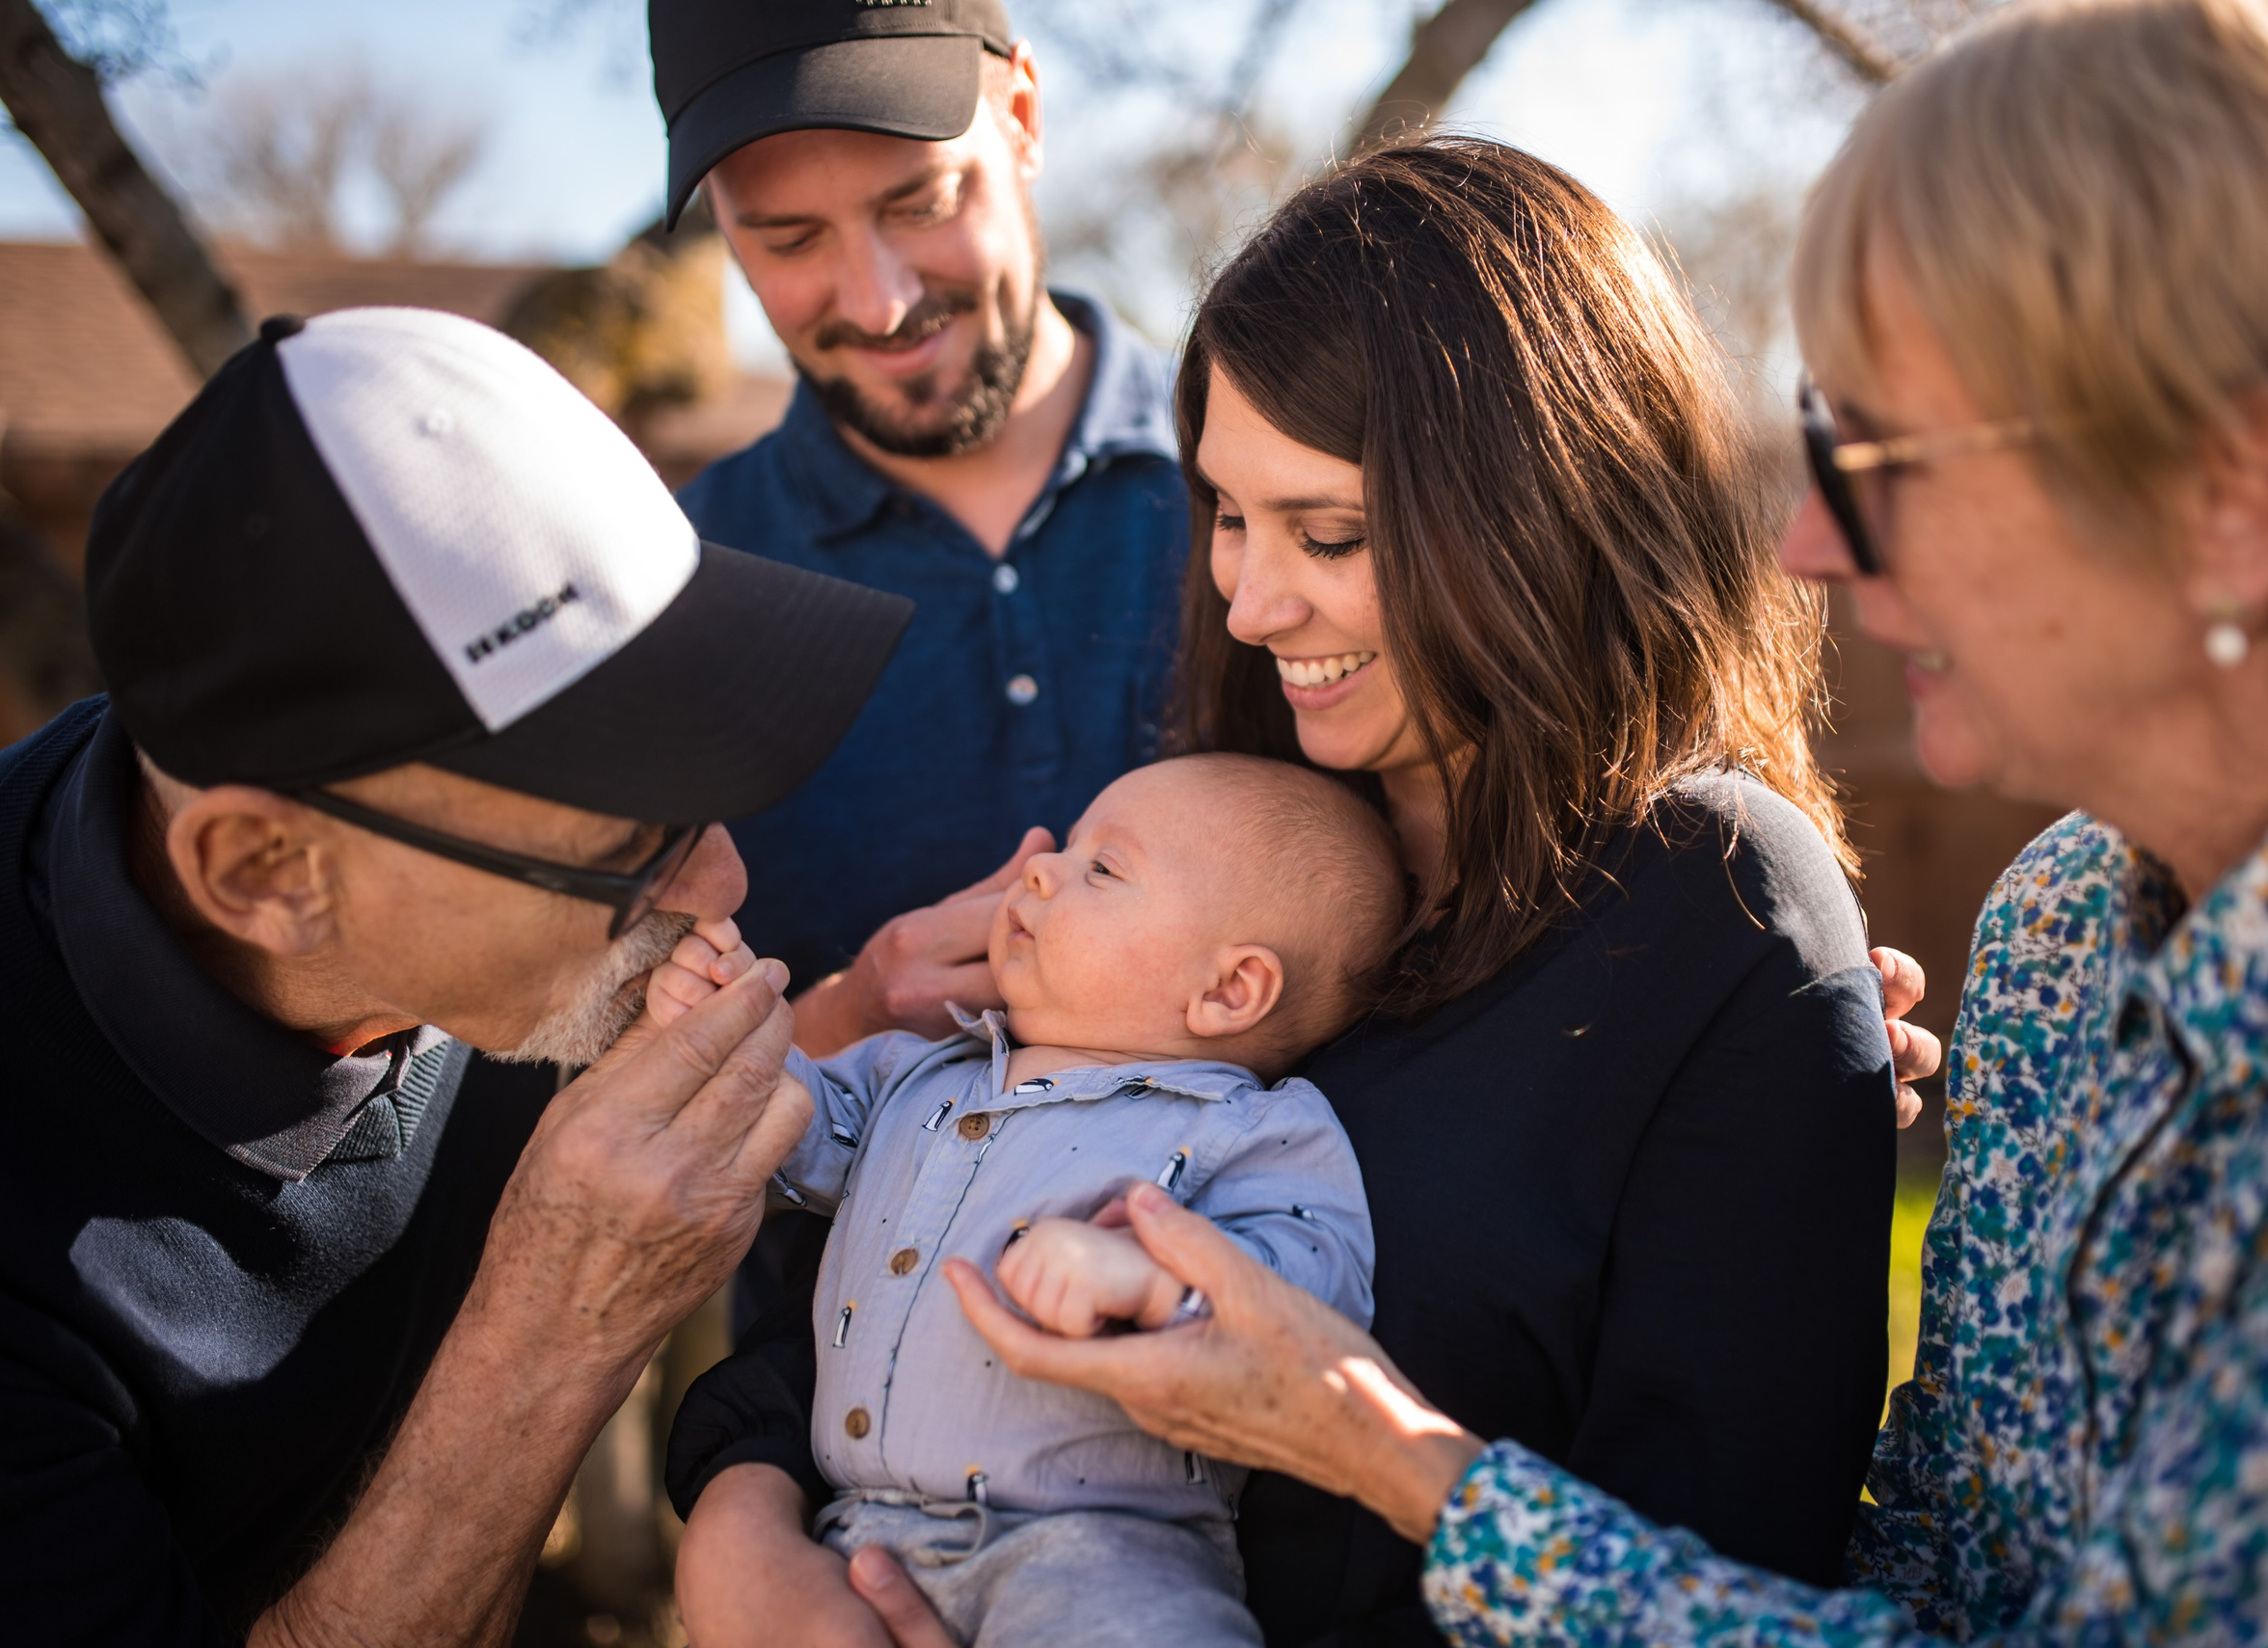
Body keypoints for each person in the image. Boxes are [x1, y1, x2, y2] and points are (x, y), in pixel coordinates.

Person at [928, 0, 2268, 1641]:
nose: (1809, 540)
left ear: (2249, 493)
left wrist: (1378, 1445)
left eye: (1887, 458)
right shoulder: (2053, 927)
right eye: (1232, 518)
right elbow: (1935, 1550)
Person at [672, 139, 1939, 1648]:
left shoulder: (1713, 913)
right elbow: (916, 1229)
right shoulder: (1237, 836)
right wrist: (739, 1514)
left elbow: (1736, 1582)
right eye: (1227, 516)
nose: (1252, 603)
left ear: (1539, 507)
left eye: (1327, 535)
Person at [0, 307, 910, 1643]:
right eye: (625, 850)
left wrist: (848, 1026)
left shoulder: (339, 810)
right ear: (265, 871)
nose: (721, 884)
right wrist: (550, 1335)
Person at [656, 753, 1393, 1646]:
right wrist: (725, 1011)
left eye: (1103, 867)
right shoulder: (918, 1072)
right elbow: (782, 1132)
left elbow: (1310, 1291)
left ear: (1228, 990)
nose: (1042, 868)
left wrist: (1148, 1277)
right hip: (855, 1529)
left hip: (1100, 1553)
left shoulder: (1249, 1128)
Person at [647, 0, 1187, 1057]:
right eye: (789, 237)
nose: (881, 303)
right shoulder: (666, 583)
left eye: (922, 202)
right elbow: (596, 1080)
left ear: (1022, 117)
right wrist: (835, 1024)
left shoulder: (1272, 488)